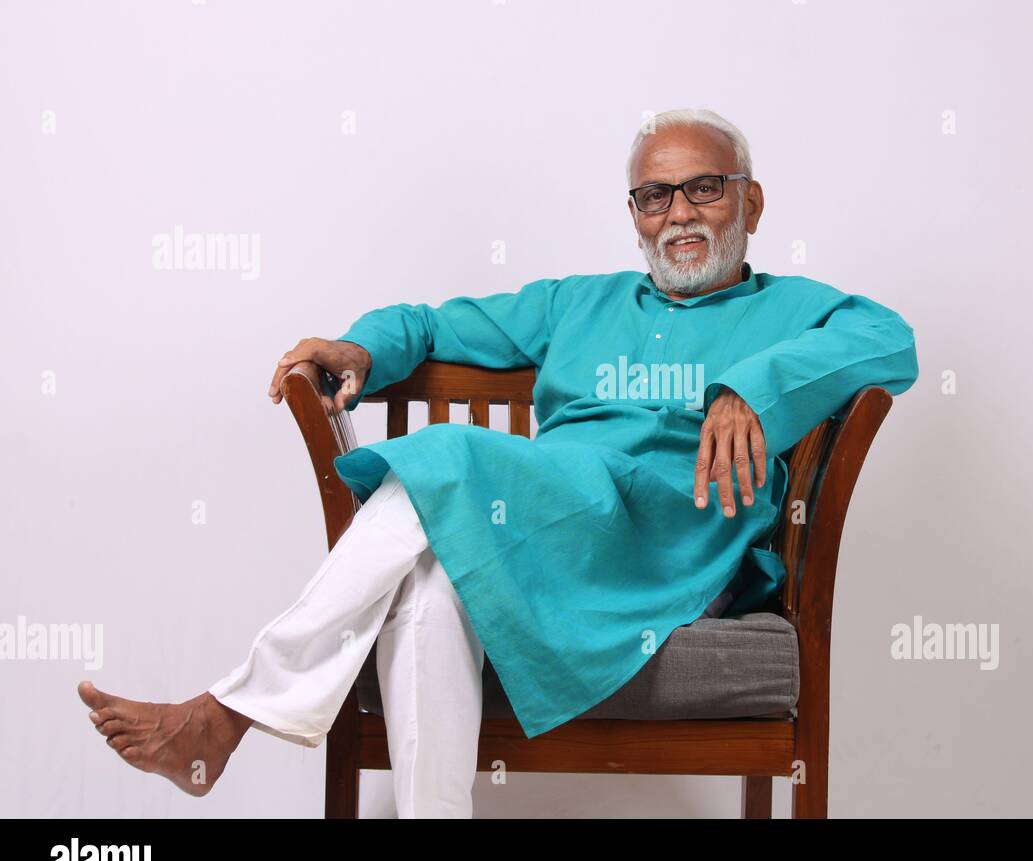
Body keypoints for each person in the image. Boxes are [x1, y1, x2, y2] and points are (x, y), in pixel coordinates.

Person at [78, 108, 919, 817]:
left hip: (673, 541)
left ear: (752, 201)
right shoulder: (576, 305)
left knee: (450, 453)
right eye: (655, 195)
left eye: (705, 187)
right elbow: (433, 324)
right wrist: (359, 346)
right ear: (634, 214)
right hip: (551, 535)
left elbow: (891, 343)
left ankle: (227, 713)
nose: (680, 213)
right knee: (432, 589)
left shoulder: (793, 310)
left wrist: (750, 387)